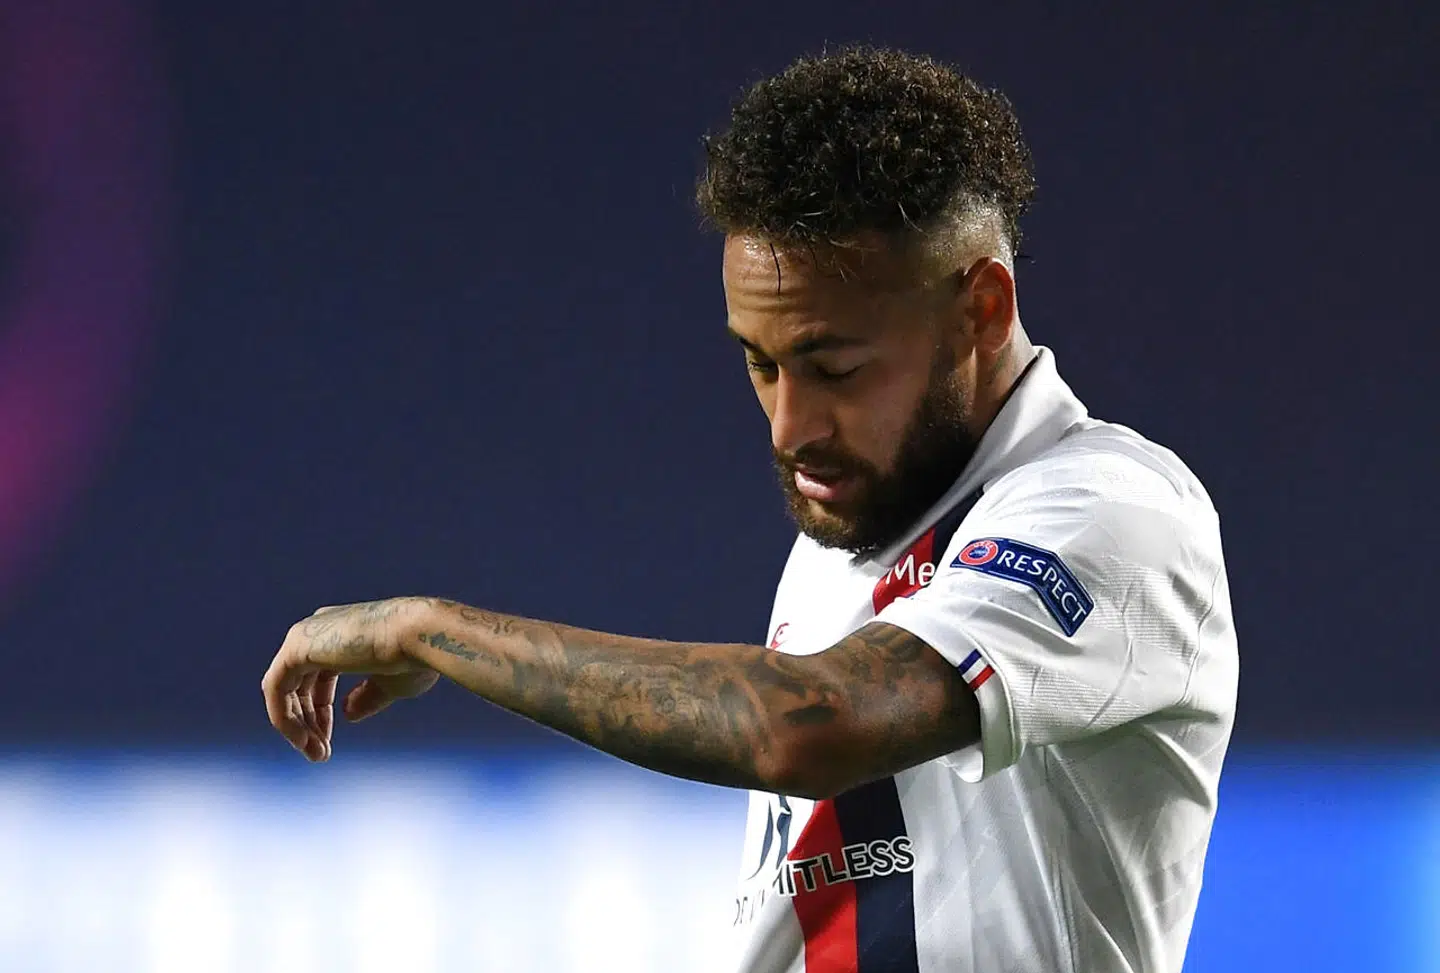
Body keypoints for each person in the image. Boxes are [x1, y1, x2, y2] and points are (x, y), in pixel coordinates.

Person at [261, 46, 1237, 973]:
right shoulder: (846, 537)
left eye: (833, 366)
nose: (788, 425)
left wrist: (437, 631)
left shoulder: (1112, 513)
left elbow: (803, 726)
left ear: (980, 308)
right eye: (759, 362)